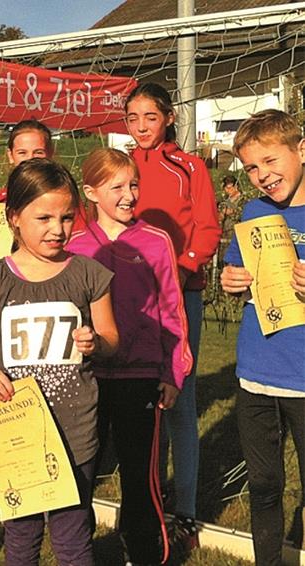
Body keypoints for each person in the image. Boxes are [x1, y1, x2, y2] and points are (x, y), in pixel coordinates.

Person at [0, 158, 119, 566]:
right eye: (44, 217)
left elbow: (112, 338)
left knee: (72, 535)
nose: (57, 228)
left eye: (67, 217)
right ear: (14, 218)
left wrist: (95, 343)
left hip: (77, 429)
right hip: (16, 431)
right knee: (21, 536)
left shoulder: (89, 273)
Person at [66, 148, 193, 565]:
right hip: (86, 376)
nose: (128, 194)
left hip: (141, 376)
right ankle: (76, 550)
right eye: (116, 186)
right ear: (91, 192)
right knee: (80, 472)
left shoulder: (156, 241)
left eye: (133, 184)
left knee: (141, 476)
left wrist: (174, 372)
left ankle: (143, 551)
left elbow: (172, 310)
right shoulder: (75, 245)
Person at [124, 83, 221, 549]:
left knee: (180, 397)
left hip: (182, 297)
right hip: (132, 302)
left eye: (150, 117)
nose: (141, 126)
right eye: (133, 118)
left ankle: (186, 512)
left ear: (167, 119)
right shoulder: (121, 169)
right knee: (145, 398)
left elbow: (207, 227)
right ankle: (149, 498)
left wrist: (182, 272)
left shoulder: (190, 166)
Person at [220, 109, 305, 566]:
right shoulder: (254, 212)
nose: (262, 176)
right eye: (251, 167)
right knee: (265, 486)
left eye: (270, 161)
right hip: (255, 375)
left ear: (302, 150)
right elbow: (237, 269)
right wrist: (230, 279)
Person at [0, 120, 55, 267]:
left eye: (38, 152)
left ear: (50, 153)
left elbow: (78, 245)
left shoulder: (64, 199)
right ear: (10, 155)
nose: (30, 159)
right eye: (22, 153)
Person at [219, 174, 244, 239]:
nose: (228, 190)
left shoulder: (244, 200)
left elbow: (246, 215)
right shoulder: (223, 202)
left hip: (239, 236)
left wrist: (233, 212)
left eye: (230, 188)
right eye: (226, 188)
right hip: (224, 237)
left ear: (236, 186)